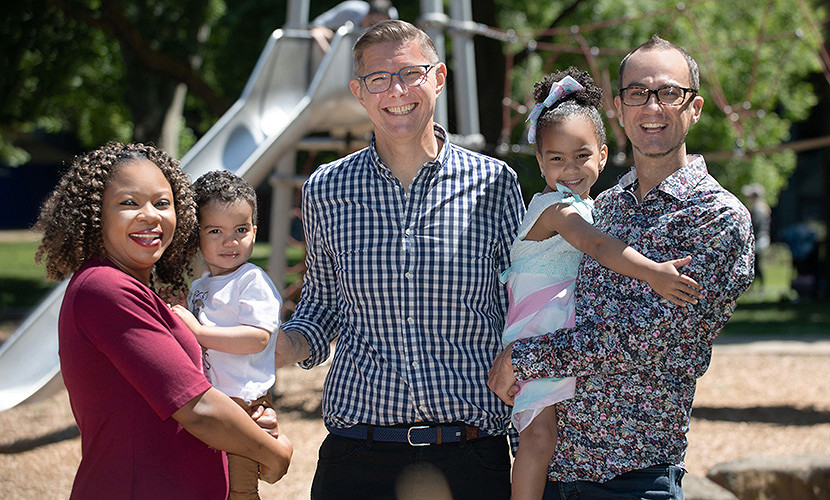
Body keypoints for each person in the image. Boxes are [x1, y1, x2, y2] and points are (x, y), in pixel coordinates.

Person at [488, 35, 754, 499]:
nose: (652, 106)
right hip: (552, 472)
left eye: (669, 92)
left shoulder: (716, 216)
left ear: (695, 108)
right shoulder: (600, 207)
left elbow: (651, 337)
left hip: (630, 477)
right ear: (620, 107)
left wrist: (523, 358)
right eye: (638, 93)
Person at [275, 19, 524, 500]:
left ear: (439, 77)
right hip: (358, 456)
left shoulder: (496, 185)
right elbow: (323, 307)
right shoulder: (326, 189)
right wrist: (275, 349)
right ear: (359, 92)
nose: (397, 90)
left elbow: (520, 309)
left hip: (470, 455)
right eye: (379, 79)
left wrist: (527, 446)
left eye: (411, 72)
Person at [34, 142, 292, 499]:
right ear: (96, 215)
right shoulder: (105, 289)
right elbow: (196, 407)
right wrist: (274, 453)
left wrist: (248, 424)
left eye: (162, 202)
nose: (150, 215)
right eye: (129, 203)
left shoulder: (139, 290)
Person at [503, 67, 701, 500]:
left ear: (603, 154)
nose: (569, 168)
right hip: (537, 328)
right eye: (555, 159)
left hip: (553, 327)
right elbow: (595, 245)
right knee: (538, 438)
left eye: (581, 155)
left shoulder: (596, 204)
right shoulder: (559, 209)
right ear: (539, 162)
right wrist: (652, 271)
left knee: (544, 433)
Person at [162, 170, 283, 500]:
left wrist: (199, 331)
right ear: (196, 235)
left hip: (242, 404)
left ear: (254, 232)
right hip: (212, 402)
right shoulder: (201, 286)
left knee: (239, 489)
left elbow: (257, 337)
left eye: (240, 230)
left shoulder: (251, 281)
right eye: (216, 231)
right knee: (211, 484)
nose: (230, 241)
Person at [309, 0, 397, 52]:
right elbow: (318, 24)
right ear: (366, 15)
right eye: (371, 24)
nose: (374, 31)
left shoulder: (392, 16)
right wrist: (325, 39)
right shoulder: (350, 11)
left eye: (380, 26)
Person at [741, 183, 771, 288]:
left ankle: (759, 286)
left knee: (755, 264)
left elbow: (756, 227)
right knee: (755, 264)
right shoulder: (761, 208)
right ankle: (757, 286)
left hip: (759, 239)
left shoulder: (758, 210)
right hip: (762, 239)